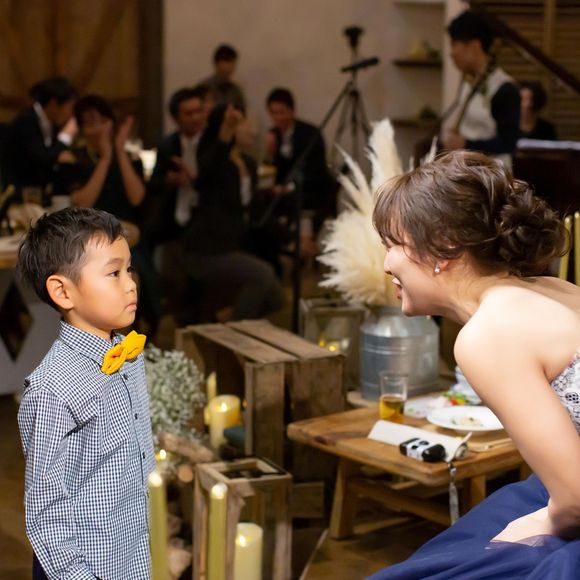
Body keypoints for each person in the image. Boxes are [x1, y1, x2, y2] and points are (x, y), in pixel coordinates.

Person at [369, 150, 580, 579]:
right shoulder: (550, 286)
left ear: (445, 245)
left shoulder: (487, 333)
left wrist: (540, 525)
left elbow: (576, 499)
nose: (387, 264)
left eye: (393, 245)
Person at [16, 207, 155, 579]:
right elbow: (46, 509)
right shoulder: (53, 390)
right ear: (63, 291)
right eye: (113, 273)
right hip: (87, 568)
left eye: (129, 270)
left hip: (133, 554)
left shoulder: (128, 355)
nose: (131, 284)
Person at [55, 95, 161, 335]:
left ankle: (125, 342)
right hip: (87, 239)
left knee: (132, 276)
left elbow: (137, 197)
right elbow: (83, 201)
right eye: (89, 123)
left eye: (102, 120)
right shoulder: (72, 158)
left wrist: (119, 152)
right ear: (81, 129)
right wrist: (104, 159)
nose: (97, 128)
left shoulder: (129, 157)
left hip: (128, 238)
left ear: (112, 122)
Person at [183, 102, 284, 321]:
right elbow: (204, 178)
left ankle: (229, 318)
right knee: (262, 274)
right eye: (244, 124)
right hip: (207, 249)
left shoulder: (248, 163)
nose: (253, 131)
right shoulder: (214, 157)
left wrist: (291, 239)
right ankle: (233, 331)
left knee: (277, 297)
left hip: (234, 246)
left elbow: (257, 210)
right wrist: (224, 135)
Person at [444, 10, 521, 166]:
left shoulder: (504, 88)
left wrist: (466, 144)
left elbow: (509, 143)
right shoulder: (469, 81)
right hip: (468, 169)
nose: (452, 53)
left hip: (491, 173)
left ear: (474, 46)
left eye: (454, 45)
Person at [265, 87, 337, 241]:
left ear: (292, 111)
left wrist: (289, 187)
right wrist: (270, 154)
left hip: (311, 190)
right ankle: (282, 241)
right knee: (260, 200)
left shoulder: (310, 133)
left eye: (281, 112)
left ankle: (295, 241)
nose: (277, 118)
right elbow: (273, 168)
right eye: (273, 113)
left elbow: (316, 171)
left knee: (268, 203)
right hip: (285, 191)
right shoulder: (274, 134)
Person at [3, 76, 77, 200]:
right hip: (18, 196)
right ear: (54, 103)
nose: (71, 113)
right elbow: (44, 160)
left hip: (38, 195)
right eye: (70, 106)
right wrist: (66, 135)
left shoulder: (51, 123)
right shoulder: (27, 120)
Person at [200, 44, 245, 110]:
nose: (232, 66)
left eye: (233, 63)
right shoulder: (204, 87)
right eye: (229, 62)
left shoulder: (236, 90)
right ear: (217, 63)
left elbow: (242, 111)